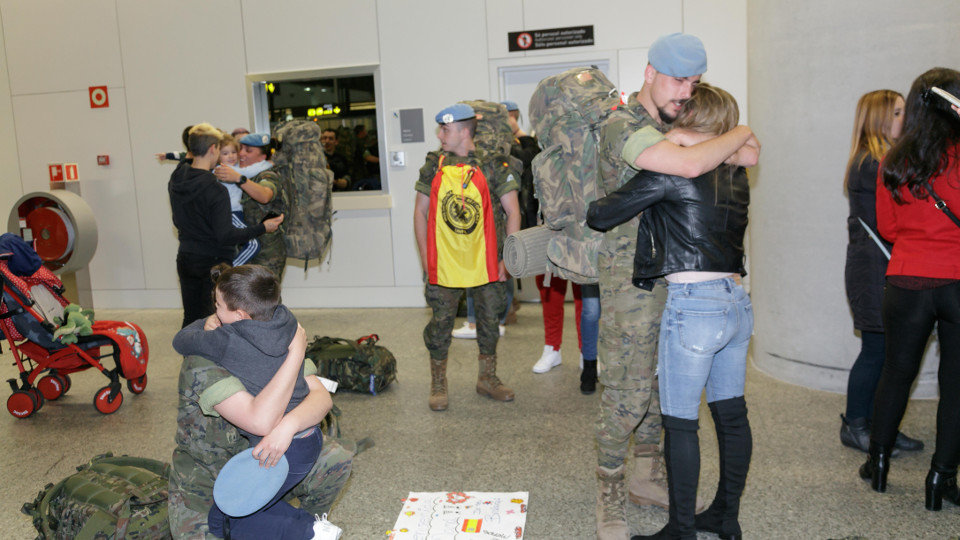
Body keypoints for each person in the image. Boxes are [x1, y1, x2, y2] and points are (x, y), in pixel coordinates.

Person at [591, 33, 759, 539]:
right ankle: (609, 490)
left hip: (682, 282)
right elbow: (692, 165)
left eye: (694, 82)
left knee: (665, 392)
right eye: (677, 80)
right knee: (627, 390)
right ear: (649, 73)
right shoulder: (623, 124)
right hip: (632, 284)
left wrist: (719, 136)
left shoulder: (676, 124)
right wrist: (736, 132)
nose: (685, 92)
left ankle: (649, 475)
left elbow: (748, 155)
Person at [860, 67, 960, 511]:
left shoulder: (894, 161)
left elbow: (888, 228)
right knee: (956, 386)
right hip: (957, 278)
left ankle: (878, 463)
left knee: (896, 373)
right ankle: (941, 479)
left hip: (906, 278)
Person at [172, 264, 327, 538]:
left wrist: (204, 325)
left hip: (276, 449)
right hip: (308, 438)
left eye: (218, 306)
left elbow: (181, 341)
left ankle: (312, 531)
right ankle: (310, 527)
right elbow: (321, 395)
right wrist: (297, 351)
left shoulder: (225, 341)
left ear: (240, 315)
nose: (215, 311)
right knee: (248, 506)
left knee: (225, 518)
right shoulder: (287, 323)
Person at [167, 342, 353, 538]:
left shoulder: (270, 336)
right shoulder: (201, 360)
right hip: (207, 487)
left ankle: (309, 530)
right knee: (220, 523)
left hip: (262, 468)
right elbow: (258, 421)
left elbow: (322, 398)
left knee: (335, 458)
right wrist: (295, 352)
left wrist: (288, 426)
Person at [413, 103, 521, 411]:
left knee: (489, 320)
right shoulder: (433, 164)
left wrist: (508, 258)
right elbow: (420, 213)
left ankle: (488, 378)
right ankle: (438, 383)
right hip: (444, 263)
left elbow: (513, 212)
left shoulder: (493, 164)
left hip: (486, 261)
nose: (440, 135)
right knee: (440, 323)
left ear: (464, 131)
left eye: (445, 130)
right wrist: (426, 259)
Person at [840, 90, 924, 455]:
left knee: (886, 351)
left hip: (880, 265)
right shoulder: (873, 164)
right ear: (880, 118)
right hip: (873, 268)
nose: (905, 118)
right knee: (876, 350)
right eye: (899, 112)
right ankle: (856, 424)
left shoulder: (877, 160)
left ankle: (880, 426)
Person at [168, 123, 282, 328]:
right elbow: (226, 236)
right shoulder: (215, 189)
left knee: (191, 319)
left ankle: (188, 349)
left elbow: (185, 160)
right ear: (213, 149)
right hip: (213, 263)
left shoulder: (177, 176)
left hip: (186, 257)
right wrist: (263, 228)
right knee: (215, 322)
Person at [215, 132, 289, 280]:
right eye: (240, 148)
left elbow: (265, 195)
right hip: (245, 247)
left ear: (262, 157)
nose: (241, 154)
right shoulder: (240, 171)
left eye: (248, 150)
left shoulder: (267, 175)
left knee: (265, 293)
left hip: (266, 254)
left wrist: (239, 179)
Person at [218, 135, 261, 267]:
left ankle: (229, 269)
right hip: (232, 213)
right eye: (225, 153)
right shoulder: (223, 170)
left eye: (233, 152)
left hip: (236, 213)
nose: (231, 156)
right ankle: (230, 270)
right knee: (253, 244)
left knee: (235, 246)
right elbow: (249, 172)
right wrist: (269, 163)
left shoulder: (233, 167)